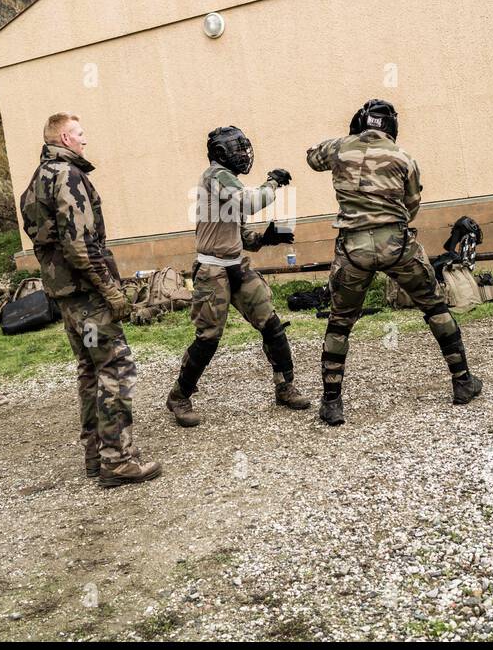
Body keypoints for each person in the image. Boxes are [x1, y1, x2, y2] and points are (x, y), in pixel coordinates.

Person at [306, 100, 482, 426]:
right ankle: (462, 382)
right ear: (392, 128)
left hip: (353, 249)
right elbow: (412, 205)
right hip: (397, 245)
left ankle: (332, 404)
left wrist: (347, 143)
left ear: (360, 122)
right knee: (435, 307)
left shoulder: (338, 149)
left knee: (340, 322)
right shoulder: (404, 158)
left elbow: (312, 158)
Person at [19, 113, 161, 487]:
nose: (86, 140)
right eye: (81, 134)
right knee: (115, 369)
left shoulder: (37, 181)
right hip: (87, 297)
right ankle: (118, 460)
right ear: (65, 138)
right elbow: (79, 244)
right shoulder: (68, 176)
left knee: (90, 370)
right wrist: (109, 288)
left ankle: (95, 456)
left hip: (65, 298)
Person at [166, 126, 312, 427]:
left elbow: (243, 234)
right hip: (212, 271)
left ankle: (285, 387)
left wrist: (267, 238)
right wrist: (271, 183)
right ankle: (179, 397)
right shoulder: (216, 176)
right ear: (221, 153)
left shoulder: (227, 183)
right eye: (238, 149)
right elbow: (249, 201)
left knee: (272, 325)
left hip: (235, 265)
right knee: (208, 339)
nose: (244, 154)